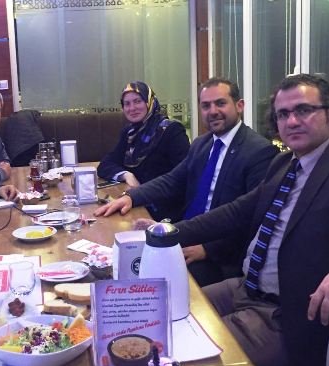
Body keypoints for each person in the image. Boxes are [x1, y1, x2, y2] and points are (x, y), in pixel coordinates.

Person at [156, 74, 329, 366]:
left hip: (286, 316)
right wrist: (166, 232)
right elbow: (236, 212)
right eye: (283, 114)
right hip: (245, 288)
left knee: (173, 352)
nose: (291, 121)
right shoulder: (285, 163)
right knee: (162, 310)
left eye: (303, 110)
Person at [96, 78, 278, 285]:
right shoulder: (202, 144)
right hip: (186, 233)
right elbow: (172, 180)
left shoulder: (259, 151)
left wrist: (206, 249)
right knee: (120, 260)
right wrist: (131, 197)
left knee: (148, 280)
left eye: (220, 103)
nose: (213, 111)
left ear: (239, 106)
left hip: (220, 255)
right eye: (206, 106)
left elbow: (252, 219)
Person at [97, 81, 190, 222]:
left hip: (165, 211)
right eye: (127, 104)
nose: (132, 108)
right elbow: (105, 164)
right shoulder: (129, 133)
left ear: (149, 102)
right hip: (135, 202)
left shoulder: (172, 131)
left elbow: (182, 178)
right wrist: (127, 175)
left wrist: (140, 195)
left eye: (137, 101)